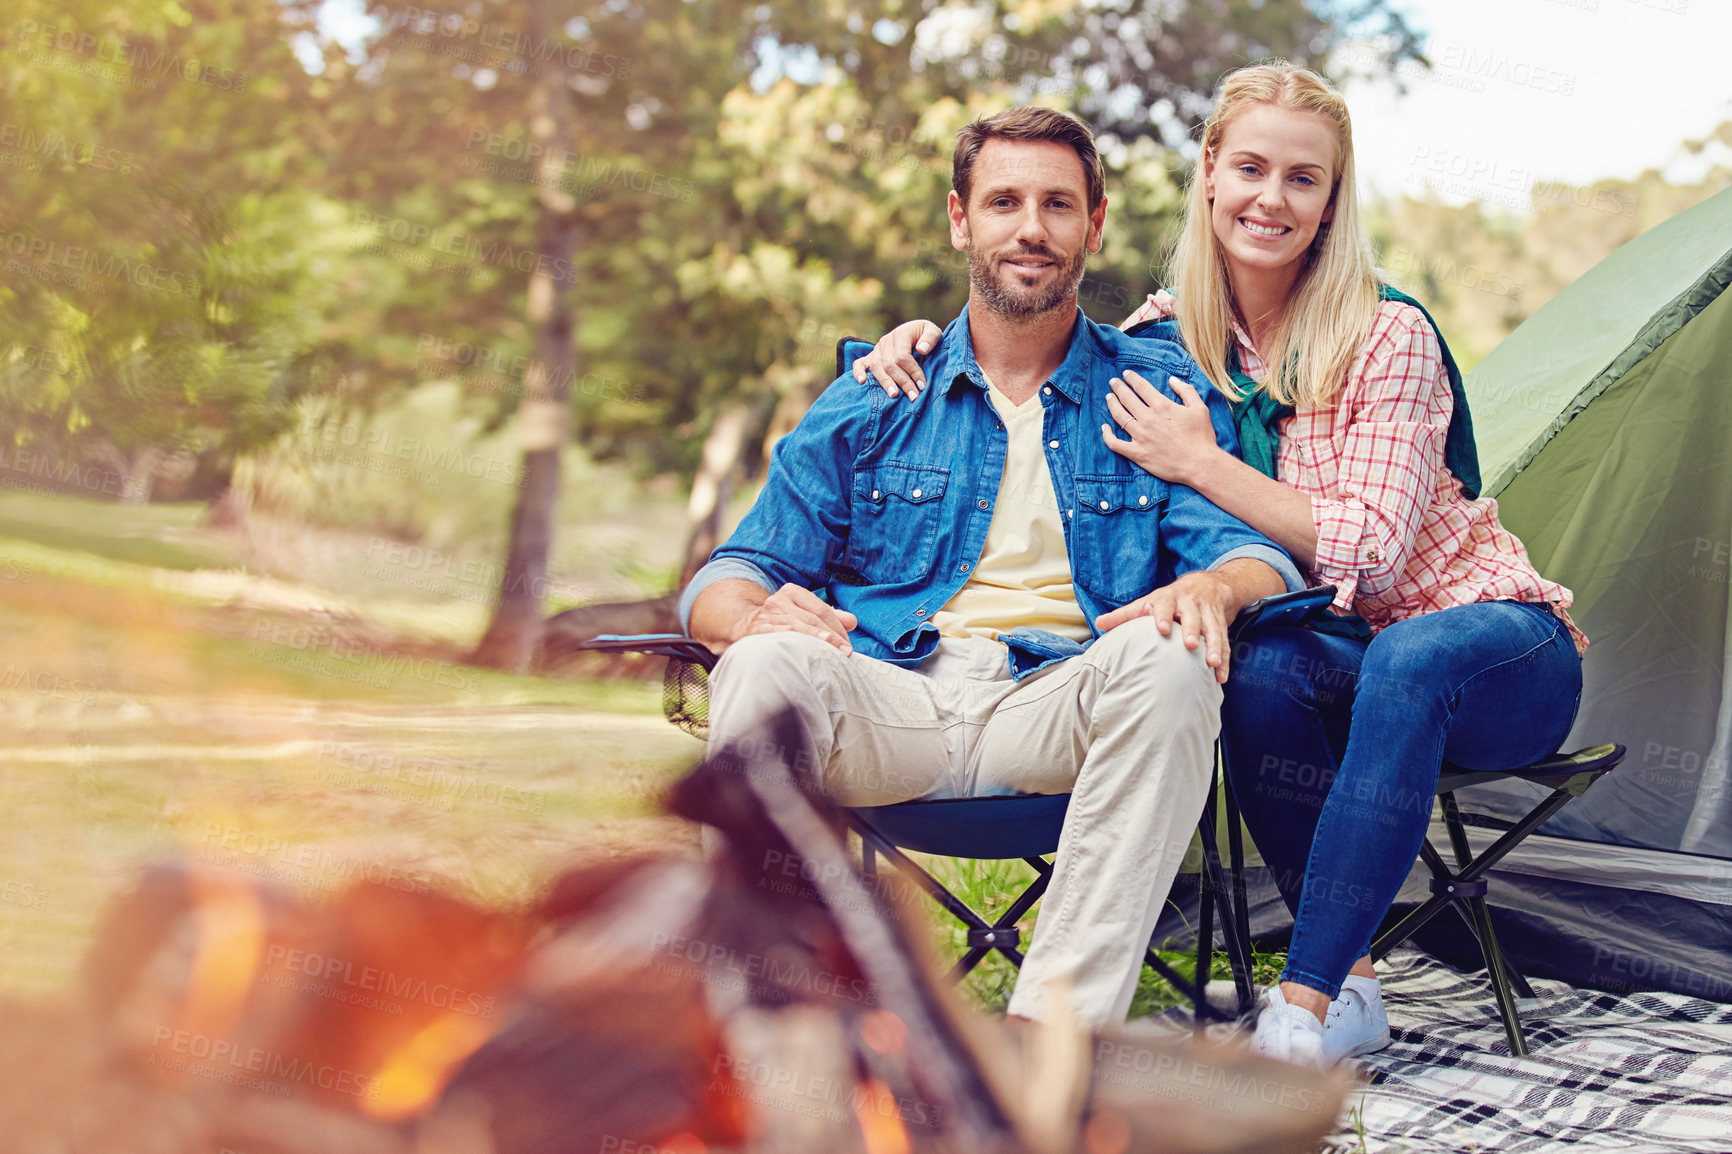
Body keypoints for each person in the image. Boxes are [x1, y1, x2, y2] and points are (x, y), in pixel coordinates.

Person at [853, 63, 1586, 1065]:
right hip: (1334, 658)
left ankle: (1297, 1010)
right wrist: (921, 344)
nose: (1269, 199)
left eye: (1301, 179)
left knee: (1407, 658)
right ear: (1209, 174)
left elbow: (1366, 552)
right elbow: (1038, 346)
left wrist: (1200, 460)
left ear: (1332, 201)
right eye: (1250, 167)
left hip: (1489, 646)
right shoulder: (1169, 339)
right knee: (1260, 672)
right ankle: (1355, 989)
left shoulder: (1387, 333)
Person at [681, 105, 1306, 1029]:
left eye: (1058, 204)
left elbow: (1254, 554)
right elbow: (729, 572)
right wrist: (750, 619)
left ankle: (1050, 1043)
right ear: (959, 219)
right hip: (886, 697)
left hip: (1054, 706)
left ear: (1094, 225)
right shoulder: (877, 393)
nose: (1030, 228)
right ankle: (759, 1030)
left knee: (1172, 661)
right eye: (1004, 201)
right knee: (764, 667)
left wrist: (1212, 587)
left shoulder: (1153, 393)